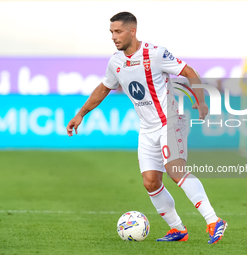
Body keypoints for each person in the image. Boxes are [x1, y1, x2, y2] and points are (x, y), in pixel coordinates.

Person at [66, 12, 227, 244]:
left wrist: (201, 100)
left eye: (118, 31)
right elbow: (103, 88)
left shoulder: (156, 53)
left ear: (133, 31)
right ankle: (178, 230)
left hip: (170, 121)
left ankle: (213, 220)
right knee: (150, 181)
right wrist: (80, 114)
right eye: (111, 32)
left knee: (175, 170)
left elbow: (190, 72)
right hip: (148, 128)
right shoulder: (115, 62)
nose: (114, 37)